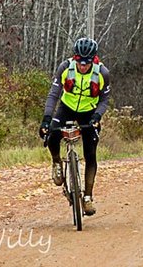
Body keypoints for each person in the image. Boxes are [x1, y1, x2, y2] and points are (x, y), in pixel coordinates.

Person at [39, 37, 111, 216]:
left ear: (93, 60)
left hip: (89, 111)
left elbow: (104, 100)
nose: (83, 66)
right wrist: (47, 118)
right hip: (67, 108)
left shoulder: (102, 73)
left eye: (87, 63)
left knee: (90, 152)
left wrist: (97, 116)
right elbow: (53, 94)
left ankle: (87, 197)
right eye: (80, 62)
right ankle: (56, 162)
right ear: (75, 58)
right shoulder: (65, 68)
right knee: (52, 135)